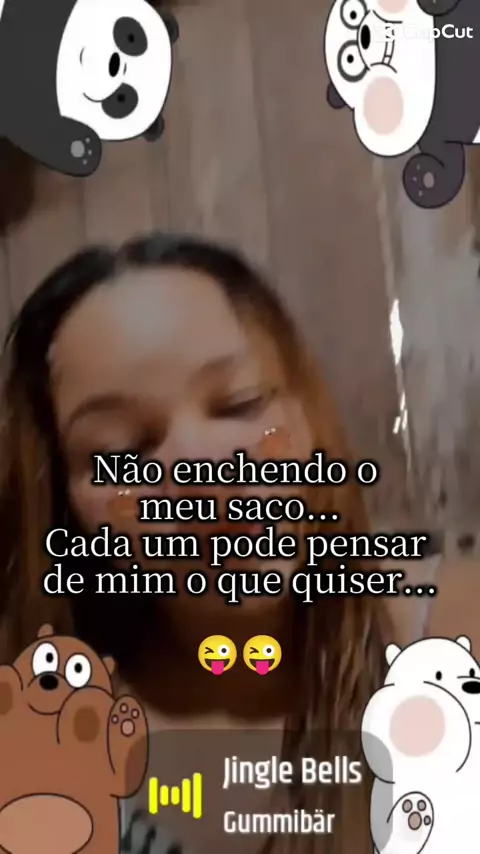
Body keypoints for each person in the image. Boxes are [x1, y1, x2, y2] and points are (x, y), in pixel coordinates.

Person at [0, 233, 391, 854]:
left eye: (240, 403)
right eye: (123, 451)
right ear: (64, 507)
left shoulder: (451, 647)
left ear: (308, 415)